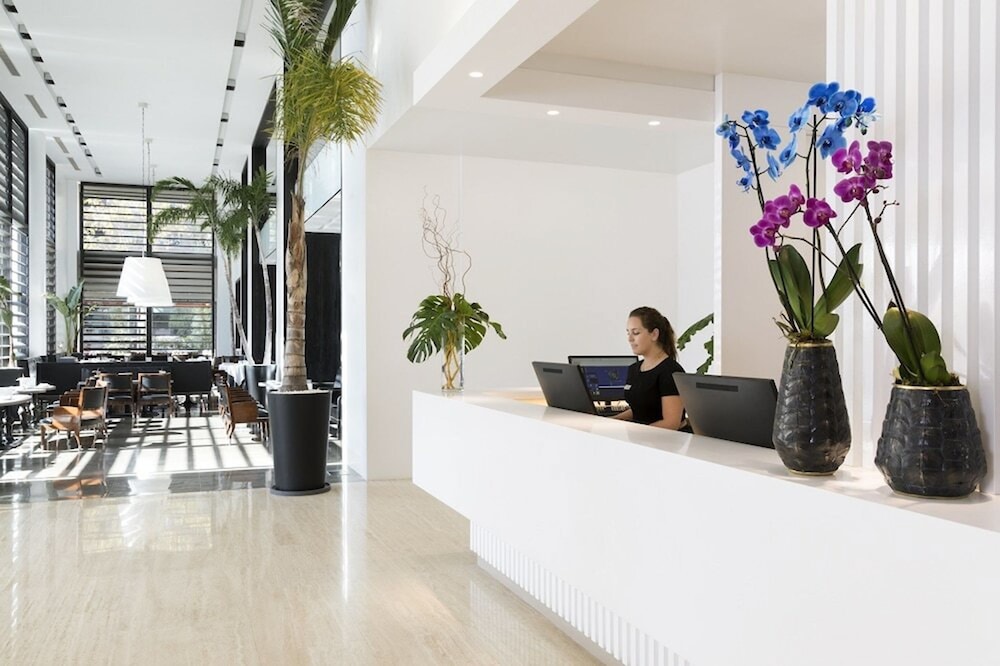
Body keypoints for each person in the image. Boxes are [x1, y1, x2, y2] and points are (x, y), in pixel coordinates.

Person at [614, 306, 690, 431]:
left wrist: (637, 433)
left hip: (664, 440)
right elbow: (640, 409)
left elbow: (671, 423)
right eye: (628, 333)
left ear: (654, 334)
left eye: (636, 333)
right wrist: (612, 420)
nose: (630, 339)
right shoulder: (634, 369)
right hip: (642, 437)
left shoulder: (670, 371)